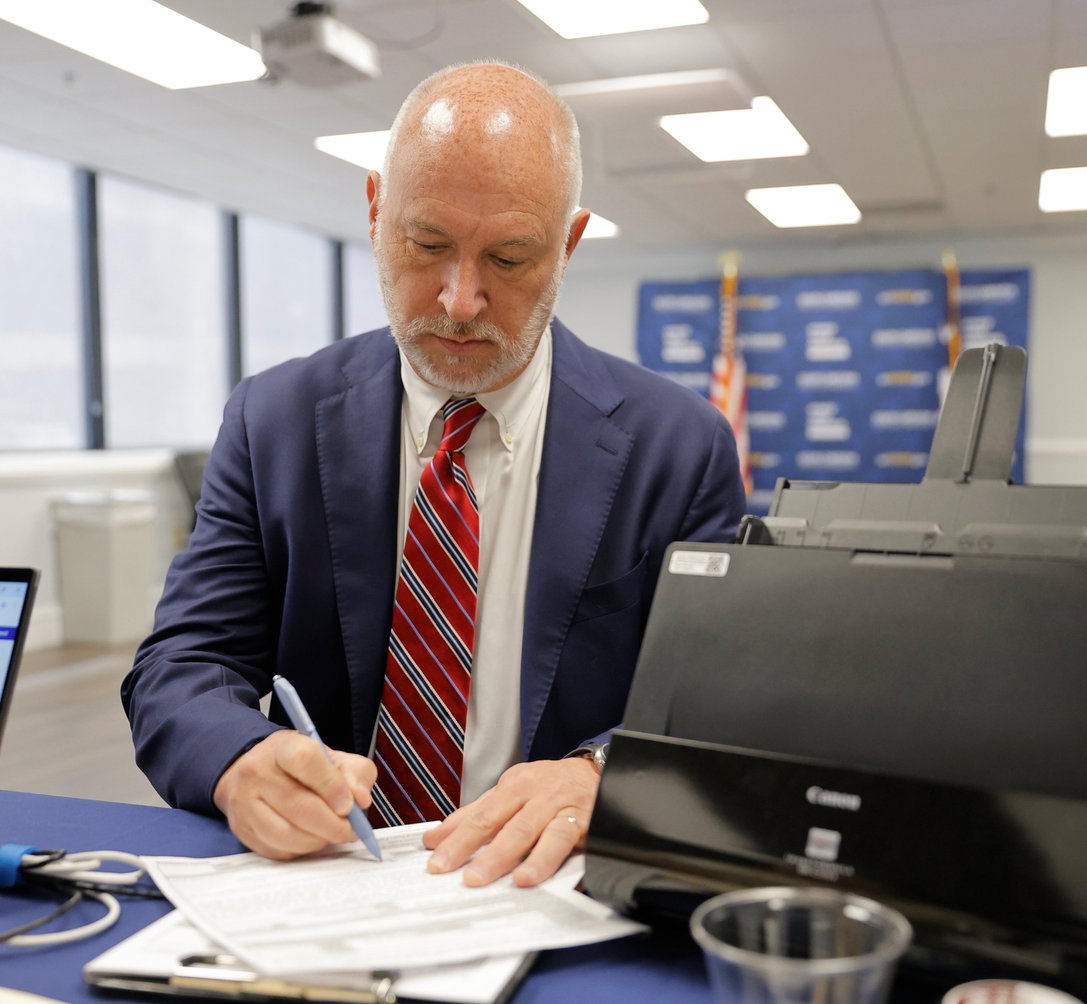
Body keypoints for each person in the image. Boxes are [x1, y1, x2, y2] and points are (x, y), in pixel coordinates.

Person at [122, 60, 745, 888]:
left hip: (546, 885)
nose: (460, 300)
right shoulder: (273, 420)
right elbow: (181, 664)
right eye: (428, 245)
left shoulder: (680, 446)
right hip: (329, 877)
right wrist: (240, 756)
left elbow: (716, 706)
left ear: (567, 243)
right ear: (377, 211)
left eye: (512, 258)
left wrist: (600, 774)